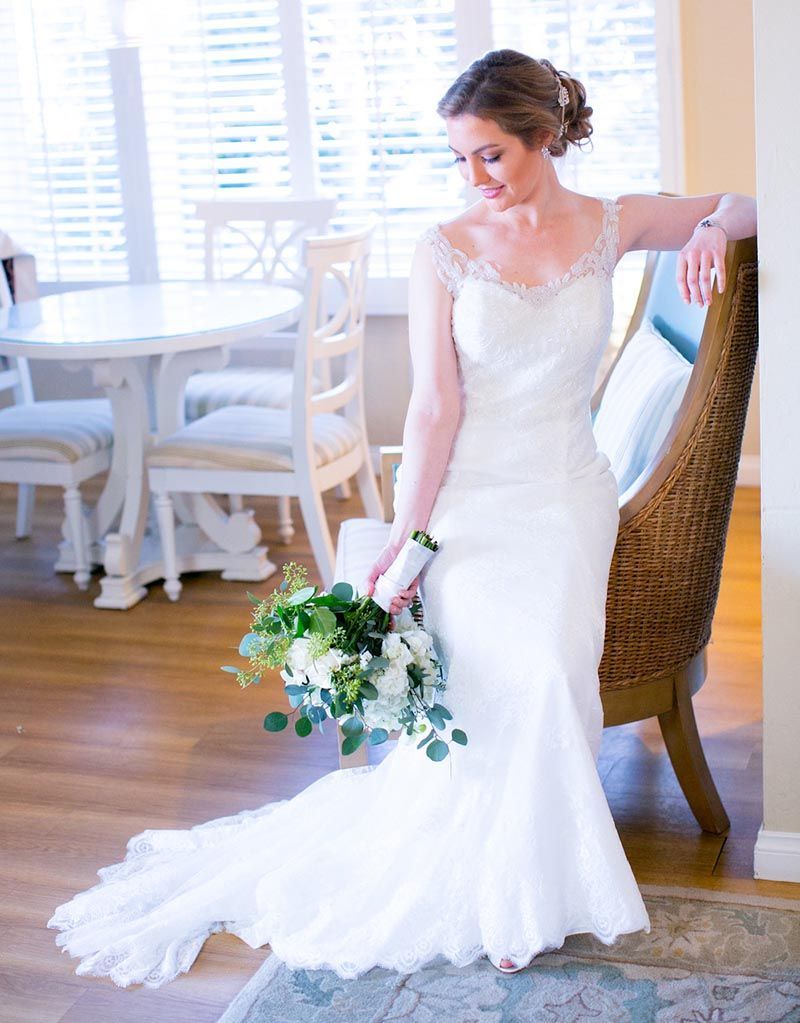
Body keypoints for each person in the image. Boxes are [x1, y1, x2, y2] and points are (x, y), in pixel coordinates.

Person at [48, 49, 757, 986]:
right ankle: (509, 879)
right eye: (459, 159)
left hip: (565, 492)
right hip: (471, 493)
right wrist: (409, 542)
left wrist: (709, 228)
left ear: (545, 138)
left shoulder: (610, 222)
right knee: (496, 653)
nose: (475, 179)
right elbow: (432, 411)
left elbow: (757, 201)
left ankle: (526, 879)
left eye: (492, 155)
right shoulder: (443, 247)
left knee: (545, 664)